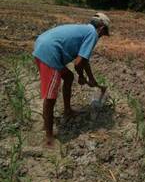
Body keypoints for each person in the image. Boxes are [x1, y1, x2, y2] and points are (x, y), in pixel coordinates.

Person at [32, 13, 110, 147]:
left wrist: (90, 78)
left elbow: (84, 60)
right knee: (50, 97)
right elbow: (78, 63)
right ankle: (49, 138)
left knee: (68, 76)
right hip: (50, 52)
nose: (101, 37)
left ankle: (67, 111)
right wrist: (81, 76)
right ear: (101, 29)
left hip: (43, 44)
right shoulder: (93, 34)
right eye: (103, 34)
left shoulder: (85, 30)